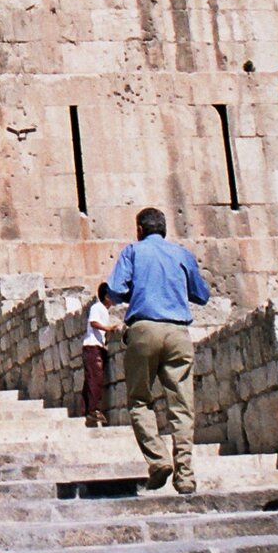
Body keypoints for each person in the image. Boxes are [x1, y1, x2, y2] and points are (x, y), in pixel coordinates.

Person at [103, 206, 213, 493]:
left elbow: (114, 291)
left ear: (140, 229)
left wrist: (134, 291)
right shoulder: (181, 254)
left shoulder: (133, 251)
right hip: (178, 333)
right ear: (164, 229)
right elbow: (202, 295)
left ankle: (158, 459)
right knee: (182, 406)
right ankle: (186, 475)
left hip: (143, 329)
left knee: (140, 400)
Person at [80, 283, 118, 427]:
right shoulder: (97, 307)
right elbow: (93, 322)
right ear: (107, 297)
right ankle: (93, 410)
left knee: (91, 379)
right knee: (95, 378)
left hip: (96, 347)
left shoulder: (104, 310)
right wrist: (107, 328)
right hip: (92, 347)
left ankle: (86, 411)